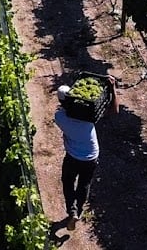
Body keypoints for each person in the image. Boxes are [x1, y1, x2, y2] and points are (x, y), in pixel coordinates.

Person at [55, 76, 119, 231]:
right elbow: (115, 110)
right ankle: (79, 209)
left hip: (72, 156)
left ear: (61, 102)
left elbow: (63, 114)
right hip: (91, 156)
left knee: (68, 181)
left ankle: (72, 210)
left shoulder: (59, 117)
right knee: (84, 184)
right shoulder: (88, 115)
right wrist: (113, 88)